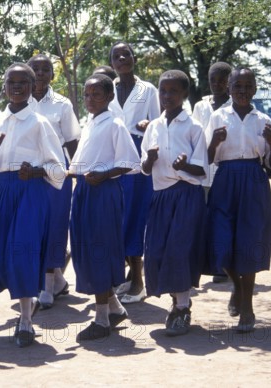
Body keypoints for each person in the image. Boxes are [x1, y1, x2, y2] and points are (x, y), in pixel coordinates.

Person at [0, 63, 66, 348]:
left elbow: (58, 168)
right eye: (11, 82)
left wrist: (34, 171)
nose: (17, 87)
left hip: (31, 194)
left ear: (33, 88)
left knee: (24, 250)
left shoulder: (39, 123)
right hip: (2, 191)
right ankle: (26, 301)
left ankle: (25, 321)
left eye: (23, 83)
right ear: (4, 86)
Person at [205, 67, 271, 332]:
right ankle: (236, 285)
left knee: (250, 241)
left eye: (248, 86)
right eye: (238, 86)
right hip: (225, 179)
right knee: (220, 240)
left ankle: (247, 306)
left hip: (253, 179)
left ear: (255, 89)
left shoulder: (264, 120)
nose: (243, 91)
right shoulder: (217, 117)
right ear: (228, 88)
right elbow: (207, 157)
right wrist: (214, 143)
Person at [69, 73, 140, 341]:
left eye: (96, 94)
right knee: (85, 247)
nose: (89, 99)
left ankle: (101, 320)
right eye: (86, 94)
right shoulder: (90, 123)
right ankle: (114, 307)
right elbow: (78, 164)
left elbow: (132, 164)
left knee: (99, 249)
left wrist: (105, 174)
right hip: (85, 190)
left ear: (110, 97)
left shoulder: (115, 125)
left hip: (104, 191)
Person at [141, 70, 208, 336]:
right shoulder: (154, 127)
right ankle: (177, 301)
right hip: (160, 195)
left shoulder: (193, 127)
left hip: (185, 194)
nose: (167, 96)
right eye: (163, 91)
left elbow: (202, 171)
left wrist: (186, 165)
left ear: (184, 95)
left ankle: (182, 308)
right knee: (157, 250)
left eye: (173, 91)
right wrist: (150, 159)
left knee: (179, 251)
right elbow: (144, 168)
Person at [27, 54, 80, 310]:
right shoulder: (17, 101)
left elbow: (72, 141)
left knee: (55, 226)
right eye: (34, 69)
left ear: (52, 75)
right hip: (26, 173)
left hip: (55, 169)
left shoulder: (62, 104)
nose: (39, 73)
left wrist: (76, 170)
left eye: (45, 69)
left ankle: (48, 286)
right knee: (33, 226)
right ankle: (56, 280)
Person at [108, 41, 161, 303]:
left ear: (133, 58)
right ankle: (129, 278)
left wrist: (148, 123)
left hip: (139, 157)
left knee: (136, 217)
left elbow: (160, 123)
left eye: (125, 54)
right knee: (119, 217)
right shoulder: (109, 89)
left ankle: (139, 282)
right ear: (112, 64)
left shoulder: (148, 89)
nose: (121, 59)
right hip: (114, 156)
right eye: (116, 56)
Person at [191, 61, 233, 284]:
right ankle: (204, 262)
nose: (217, 85)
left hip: (224, 170)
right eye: (213, 80)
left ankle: (223, 264)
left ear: (229, 83)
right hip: (203, 170)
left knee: (223, 217)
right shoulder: (200, 106)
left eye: (222, 81)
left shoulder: (235, 106)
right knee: (203, 218)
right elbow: (195, 137)